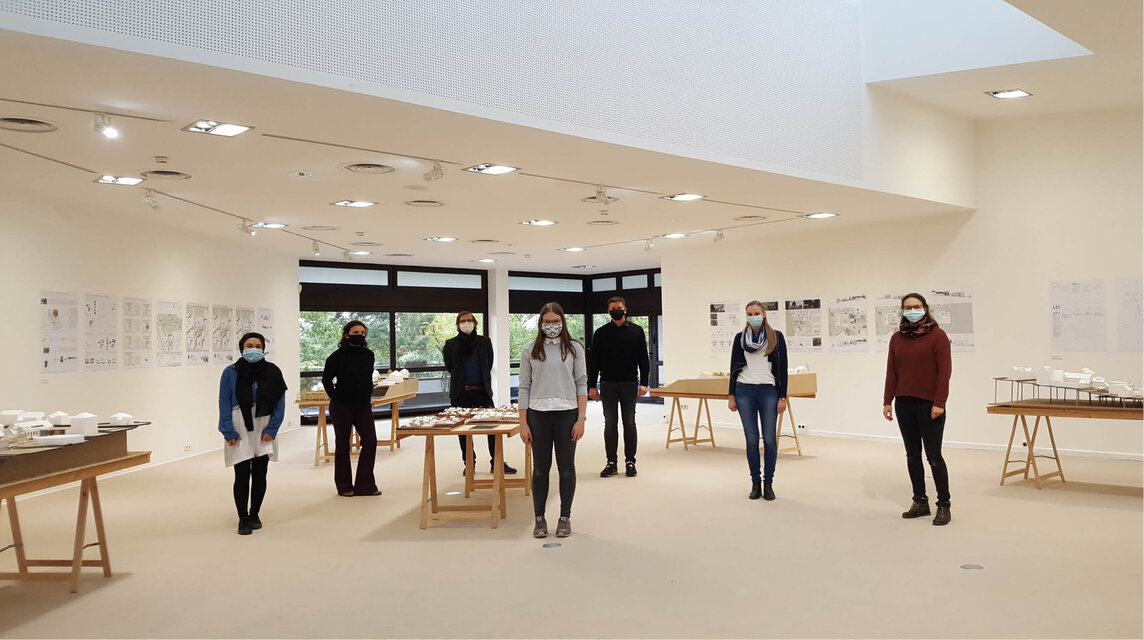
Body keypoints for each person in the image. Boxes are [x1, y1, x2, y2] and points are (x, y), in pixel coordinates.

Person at [519, 302, 588, 539]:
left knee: (566, 468)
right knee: (540, 469)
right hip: (537, 414)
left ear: (563, 321)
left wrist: (581, 418)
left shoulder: (575, 349)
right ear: (540, 323)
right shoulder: (530, 349)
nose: (551, 325)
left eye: (555, 321)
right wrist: (523, 422)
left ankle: (564, 517)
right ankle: (539, 518)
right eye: (546, 321)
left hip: (567, 413)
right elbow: (524, 386)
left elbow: (582, 383)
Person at [883, 293, 953, 526]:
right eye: (907, 307)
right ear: (902, 311)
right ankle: (920, 501)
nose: (912, 310)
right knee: (912, 455)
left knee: (934, 457)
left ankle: (943, 505)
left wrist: (939, 402)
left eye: (916, 306)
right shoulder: (897, 338)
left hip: (929, 404)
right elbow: (891, 372)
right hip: (904, 403)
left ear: (925, 308)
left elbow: (945, 373)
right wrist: (887, 401)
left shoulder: (938, 336)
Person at [218, 332, 287, 535]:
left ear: (264, 348)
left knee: (260, 472)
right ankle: (243, 518)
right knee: (241, 474)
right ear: (242, 348)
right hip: (239, 424)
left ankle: (255, 513)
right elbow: (223, 401)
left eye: (258, 345)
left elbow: (279, 402)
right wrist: (227, 430)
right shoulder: (230, 372)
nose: (253, 349)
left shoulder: (273, 371)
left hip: (264, 423)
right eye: (249, 345)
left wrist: (272, 428)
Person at [727, 301, 788, 501]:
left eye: (756, 313)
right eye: (749, 313)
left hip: (768, 391)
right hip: (744, 390)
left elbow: (782, 369)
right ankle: (755, 483)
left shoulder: (776, 337)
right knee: (751, 440)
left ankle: (768, 483)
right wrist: (731, 395)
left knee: (769, 439)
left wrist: (782, 396)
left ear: (763, 314)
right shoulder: (740, 338)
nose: (752, 316)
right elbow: (733, 368)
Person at [442, 311, 516, 475]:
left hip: (482, 391)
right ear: (457, 325)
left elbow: (488, 364)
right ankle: (469, 464)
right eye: (463, 321)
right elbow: (450, 367)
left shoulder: (484, 342)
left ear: (475, 323)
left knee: (493, 427)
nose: (466, 323)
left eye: (469, 320)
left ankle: (496, 462)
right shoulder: (450, 344)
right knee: (462, 431)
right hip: (460, 393)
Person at [588, 296, 650, 478]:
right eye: (613, 308)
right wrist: (592, 386)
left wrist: (644, 383)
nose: (616, 310)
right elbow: (594, 363)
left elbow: (643, 360)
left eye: (619, 307)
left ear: (625, 309)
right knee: (610, 424)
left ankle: (630, 461)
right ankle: (611, 463)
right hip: (607, 384)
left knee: (629, 423)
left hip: (630, 384)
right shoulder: (600, 333)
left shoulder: (637, 331)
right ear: (608, 312)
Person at [321, 320, 381, 497]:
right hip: (342, 406)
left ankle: (365, 485)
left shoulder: (369, 355)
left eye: (363, 333)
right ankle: (344, 486)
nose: (360, 335)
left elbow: (366, 378)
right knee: (342, 445)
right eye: (356, 332)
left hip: (363, 405)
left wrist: (367, 394)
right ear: (346, 334)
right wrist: (335, 398)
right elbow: (326, 380)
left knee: (370, 442)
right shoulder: (336, 356)